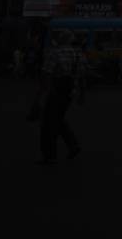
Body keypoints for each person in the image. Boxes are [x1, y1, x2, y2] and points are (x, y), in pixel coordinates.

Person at [35, 28, 88, 165]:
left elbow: (45, 76)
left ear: (58, 39)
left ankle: (50, 154)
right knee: (57, 119)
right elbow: (82, 77)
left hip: (55, 92)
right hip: (70, 93)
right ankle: (72, 145)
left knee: (48, 124)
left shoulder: (54, 53)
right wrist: (82, 95)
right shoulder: (78, 54)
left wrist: (40, 96)